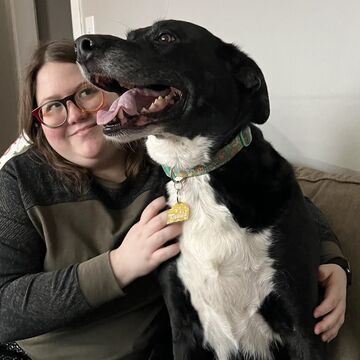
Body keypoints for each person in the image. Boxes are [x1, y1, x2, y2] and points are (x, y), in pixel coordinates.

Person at [0, 40, 349, 359]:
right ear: (38, 123)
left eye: (86, 93)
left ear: (118, 90)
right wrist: (117, 267)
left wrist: (333, 261)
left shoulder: (171, 158)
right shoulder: (20, 181)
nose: (74, 114)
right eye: (51, 107)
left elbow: (277, 195)